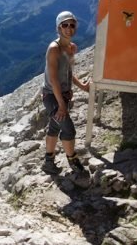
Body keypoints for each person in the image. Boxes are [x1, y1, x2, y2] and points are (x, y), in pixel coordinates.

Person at [41, 11, 90, 175]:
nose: (69, 28)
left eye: (72, 24)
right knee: (68, 129)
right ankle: (73, 161)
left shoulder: (71, 47)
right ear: (58, 28)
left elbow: (68, 72)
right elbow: (54, 79)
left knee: (54, 128)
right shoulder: (53, 49)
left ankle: (48, 162)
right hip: (52, 97)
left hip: (63, 96)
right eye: (65, 25)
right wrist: (61, 105)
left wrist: (82, 86)